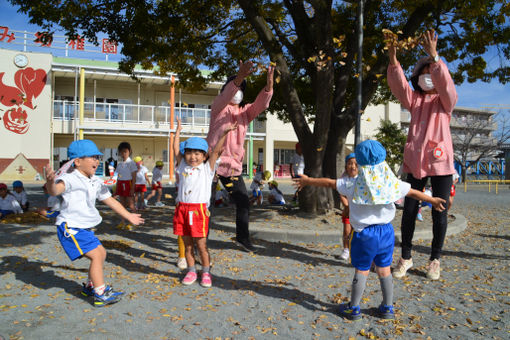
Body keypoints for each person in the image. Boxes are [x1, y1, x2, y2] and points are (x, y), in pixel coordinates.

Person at [294, 140, 446, 321]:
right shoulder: (391, 183)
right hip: (386, 233)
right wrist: (435, 200)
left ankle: (354, 307)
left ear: (359, 162)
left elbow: (329, 183)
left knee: (362, 269)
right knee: (384, 269)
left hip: (364, 235)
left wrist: (308, 180)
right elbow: (412, 192)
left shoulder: (353, 184)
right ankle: (388, 307)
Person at [386, 29, 457, 280]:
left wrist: (434, 57)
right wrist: (394, 61)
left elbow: (447, 87)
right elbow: (399, 86)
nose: (428, 76)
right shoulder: (415, 101)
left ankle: (435, 259)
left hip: (441, 165)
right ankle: (405, 257)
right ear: (418, 77)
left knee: (440, 211)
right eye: (424, 72)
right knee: (409, 211)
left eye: (432, 73)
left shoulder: (445, 102)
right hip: (414, 162)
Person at [44, 139, 143, 307]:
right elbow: (55, 191)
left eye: (98, 157)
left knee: (101, 253)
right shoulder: (70, 179)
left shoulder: (95, 181)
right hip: (70, 227)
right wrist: (50, 182)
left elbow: (110, 200)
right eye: (92, 157)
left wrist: (129, 215)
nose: (97, 161)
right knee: (97, 255)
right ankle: (100, 293)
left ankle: (91, 286)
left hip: (84, 228)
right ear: (77, 161)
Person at [206, 60, 274, 253]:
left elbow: (260, 105)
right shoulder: (218, 107)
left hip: (232, 168)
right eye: (235, 86)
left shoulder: (245, 113)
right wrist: (240, 76)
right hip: (212, 164)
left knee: (243, 201)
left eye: (241, 88)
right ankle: (200, 239)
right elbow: (228, 93)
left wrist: (268, 87)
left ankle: (242, 238)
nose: (237, 91)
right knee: (206, 205)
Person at [173, 117, 237, 287]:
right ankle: (192, 271)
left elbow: (216, 151)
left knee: (201, 245)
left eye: (197, 153)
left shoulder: (207, 168)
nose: (192, 157)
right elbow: (175, 149)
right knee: (187, 246)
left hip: (199, 210)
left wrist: (224, 132)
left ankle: (206, 272)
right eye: (189, 153)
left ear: (203, 156)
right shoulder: (182, 166)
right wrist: (178, 131)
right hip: (182, 209)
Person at [339, 153, 358, 261]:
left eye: (356, 164)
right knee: (347, 230)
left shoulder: (361, 178)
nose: (353, 166)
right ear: (346, 165)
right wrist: (347, 205)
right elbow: (341, 194)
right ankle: (346, 249)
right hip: (348, 210)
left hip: (359, 211)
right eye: (350, 163)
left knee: (357, 232)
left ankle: (356, 250)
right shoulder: (344, 179)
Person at [115, 142, 138, 230]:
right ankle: (123, 222)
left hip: (128, 184)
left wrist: (132, 189)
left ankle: (134, 222)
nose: (123, 154)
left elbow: (134, 177)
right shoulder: (120, 164)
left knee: (131, 205)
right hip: (121, 184)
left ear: (129, 151)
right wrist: (116, 189)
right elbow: (117, 176)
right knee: (122, 205)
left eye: (125, 152)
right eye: (121, 152)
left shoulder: (131, 163)